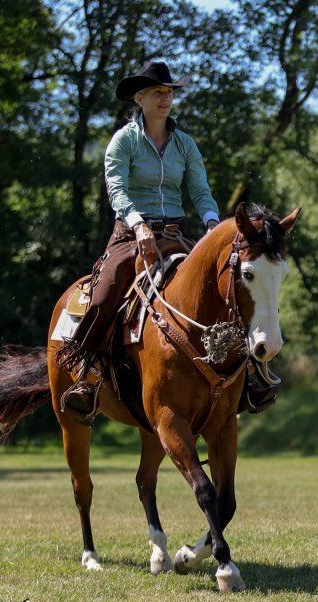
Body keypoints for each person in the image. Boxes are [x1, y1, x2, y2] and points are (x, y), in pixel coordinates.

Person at [56, 60, 221, 418]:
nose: (165, 99)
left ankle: (247, 377)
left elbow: (201, 191)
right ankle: (86, 377)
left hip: (175, 234)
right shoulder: (123, 141)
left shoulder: (186, 145)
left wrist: (212, 225)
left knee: (222, 286)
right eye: (158, 93)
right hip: (131, 234)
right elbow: (117, 190)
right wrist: (139, 224)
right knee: (104, 293)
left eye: (169, 93)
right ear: (140, 98)